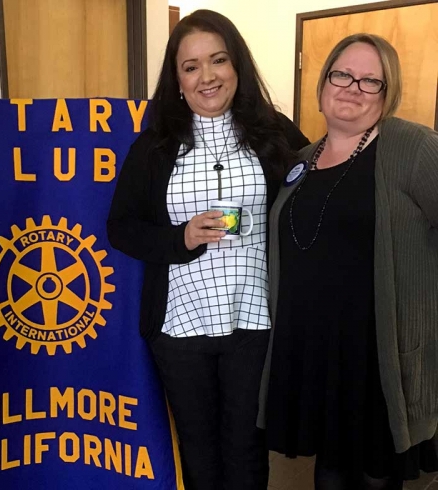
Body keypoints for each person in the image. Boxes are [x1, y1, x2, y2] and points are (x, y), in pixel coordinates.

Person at [107, 9, 308, 490]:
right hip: (179, 326)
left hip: (256, 321)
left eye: (218, 60)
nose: (207, 76)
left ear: (237, 65)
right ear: (176, 79)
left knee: (246, 448)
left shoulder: (275, 134)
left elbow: (319, 193)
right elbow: (121, 228)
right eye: (191, 66)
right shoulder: (154, 146)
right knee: (197, 450)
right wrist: (181, 238)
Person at [258, 33, 438, 489]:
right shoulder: (299, 161)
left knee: (374, 473)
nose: (352, 88)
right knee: (331, 468)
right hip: (316, 352)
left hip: (376, 354)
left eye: (370, 81)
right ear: (323, 83)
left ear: (388, 91)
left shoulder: (411, 148)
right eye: (342, 74)